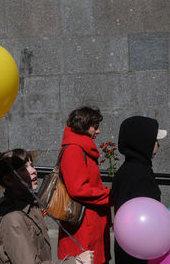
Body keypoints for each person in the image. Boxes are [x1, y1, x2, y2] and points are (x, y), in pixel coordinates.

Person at [0, 148, 94, 264]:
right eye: (23, 169)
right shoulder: (13, 220)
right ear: (8, 180)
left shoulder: (31, 205)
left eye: (31, 165)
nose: (33, 170)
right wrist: (75, 262)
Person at [57, 107, 112, 264]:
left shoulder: (81, 148)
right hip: (82, 226)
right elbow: (78, 189)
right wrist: (109, 196)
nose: (99, 131)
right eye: (95, 126)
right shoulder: (74, 149)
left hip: (89, 223)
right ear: (83, 126)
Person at [111, 115, 167, 264]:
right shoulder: (139, 174)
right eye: (155, 140)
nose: (158, 145)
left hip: (130, 248)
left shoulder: (129, 169)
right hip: (139, 251)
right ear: (143, 142)